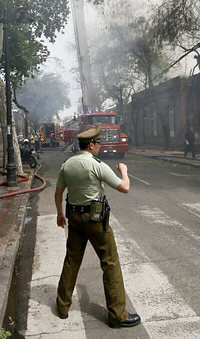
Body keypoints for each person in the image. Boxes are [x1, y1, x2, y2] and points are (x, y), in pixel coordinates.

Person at [54, 125, 141, 328]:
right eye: (99, 144)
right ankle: (117, 315)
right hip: (95, 220)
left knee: (71, 261)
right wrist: (124, 171)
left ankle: (63, 307)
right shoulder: (97, 165)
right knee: (110, 263)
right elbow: (124, 187)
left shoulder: (67, 164)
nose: (100, 147)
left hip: (74, 218)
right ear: (91, 145)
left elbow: (58, 193)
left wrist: (59, 214)